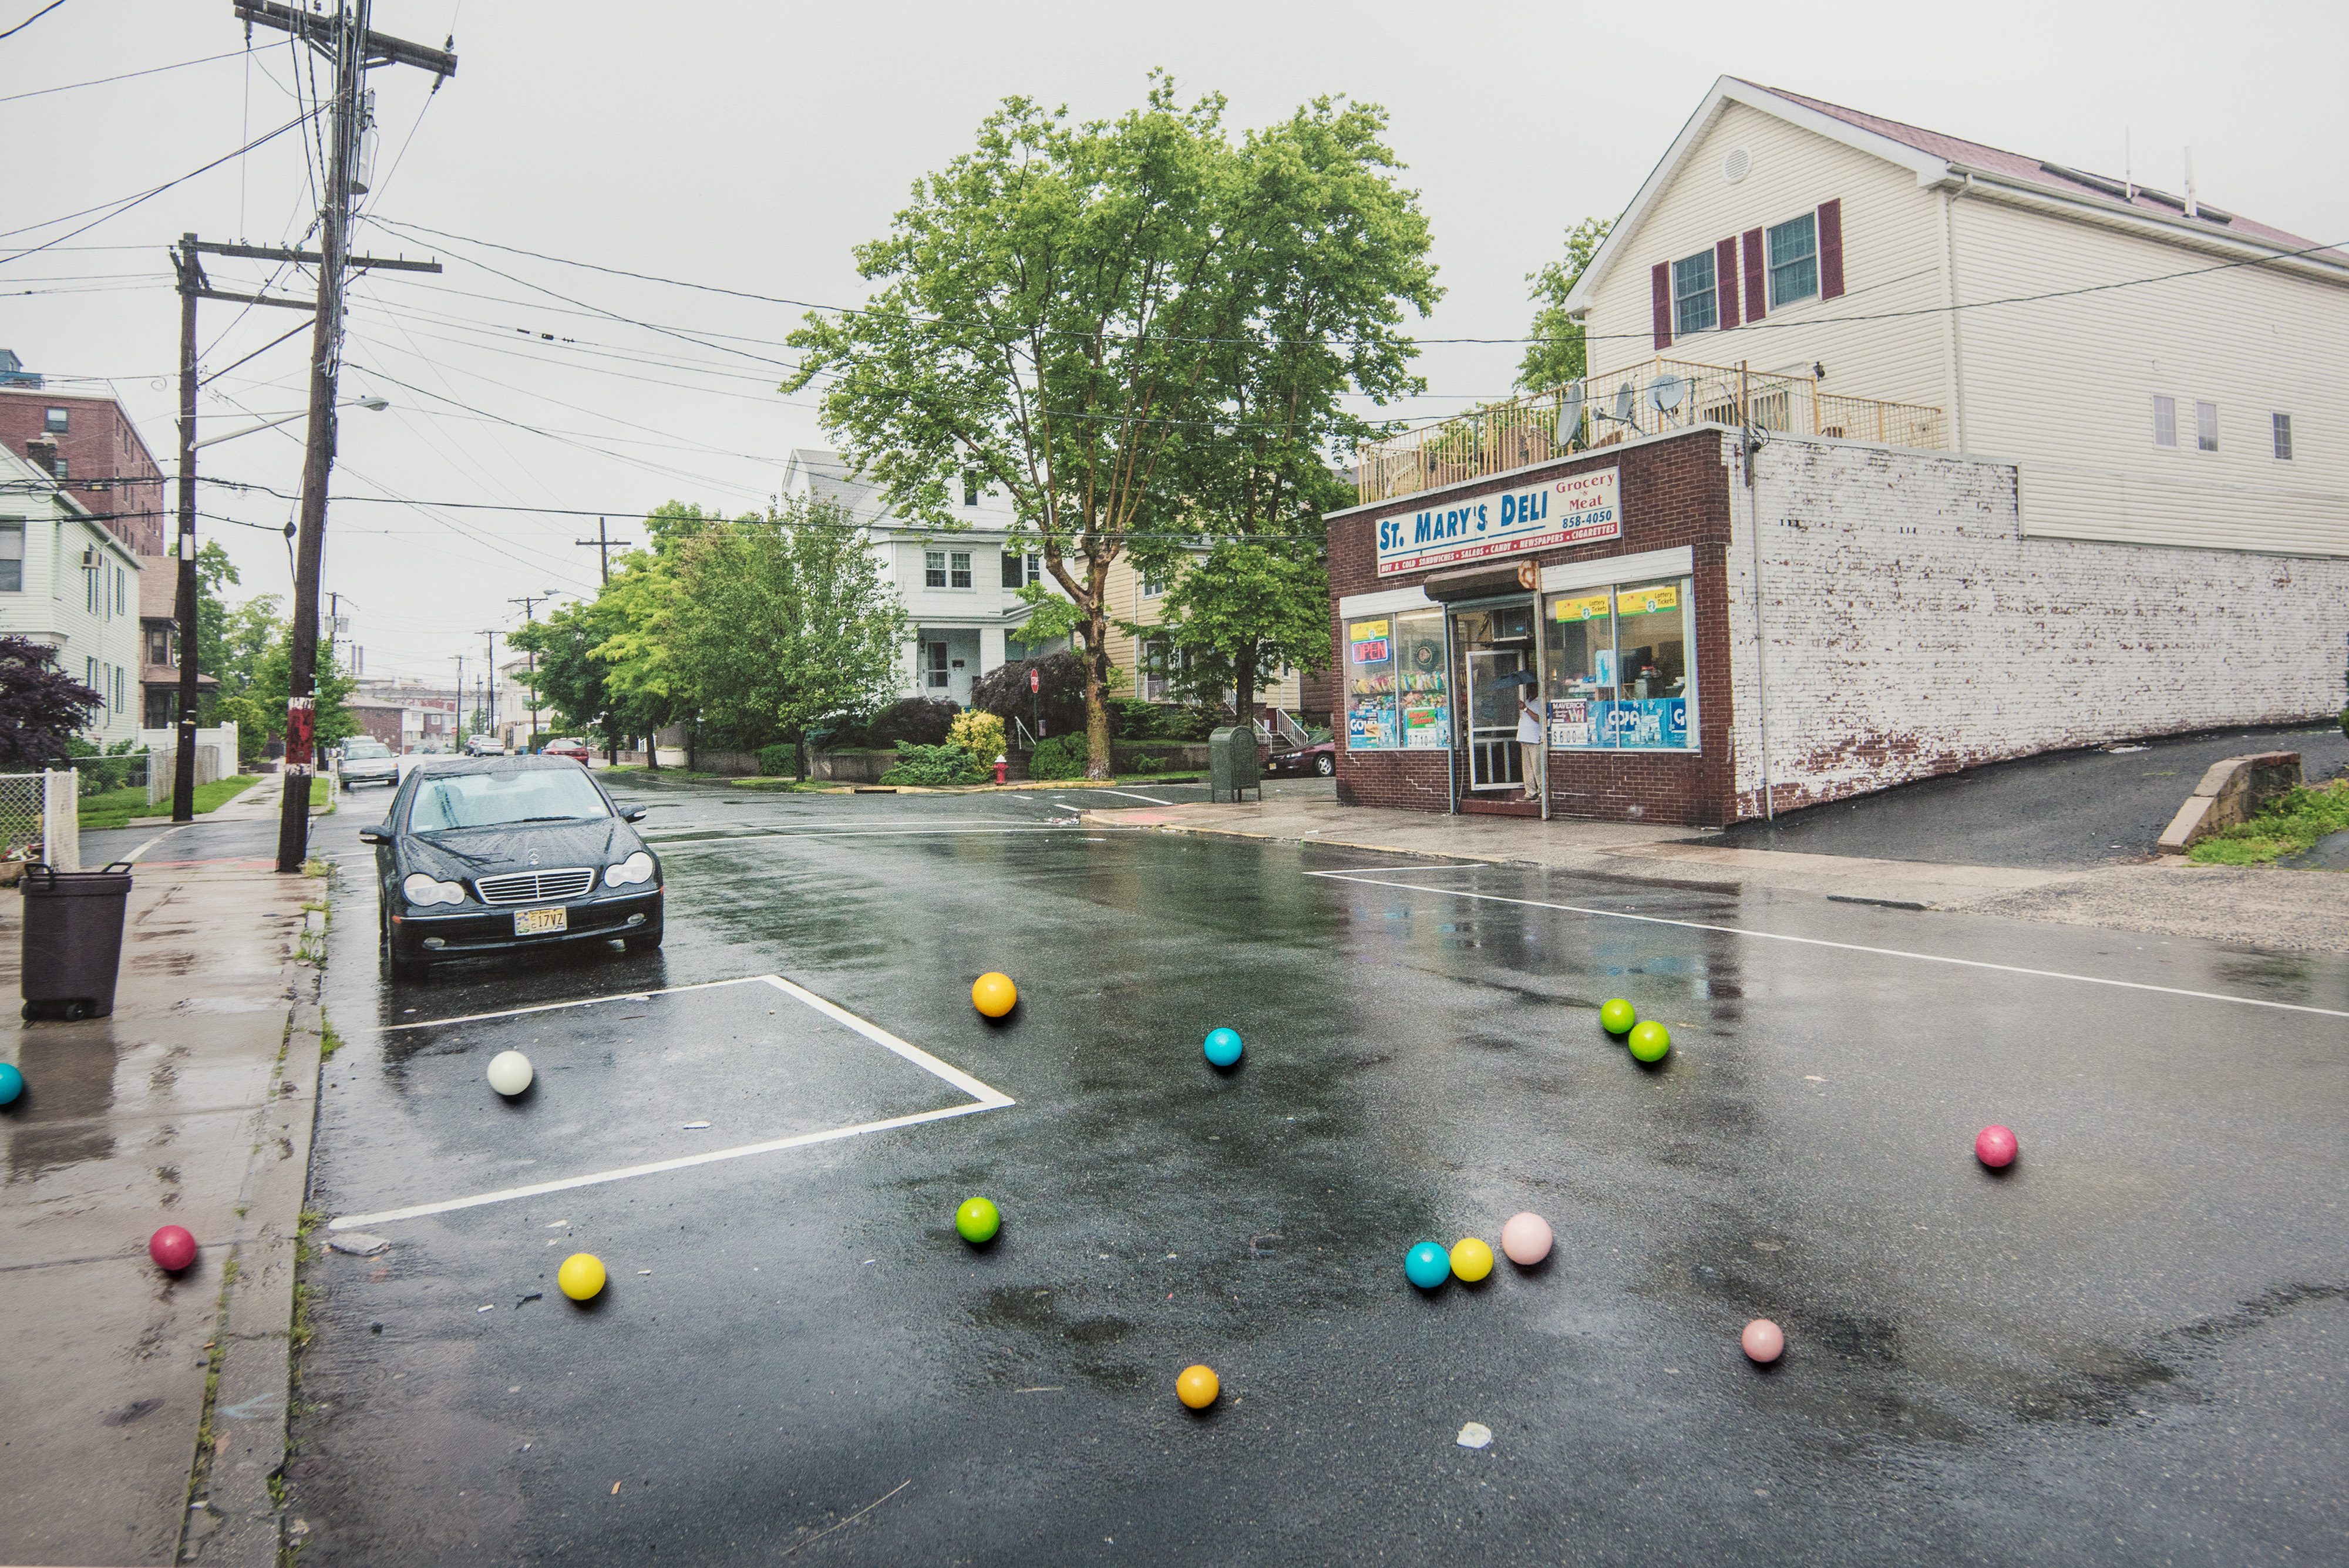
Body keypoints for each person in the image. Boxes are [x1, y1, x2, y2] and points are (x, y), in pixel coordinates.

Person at [1516, 687, 1544, 805]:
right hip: (1525, 739)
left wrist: (1526, 709)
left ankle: (1542, 792)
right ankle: (1530, 792)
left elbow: (1539, 719)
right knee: (1527, 768)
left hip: (1535, 739)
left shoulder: (1540, 702)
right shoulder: (1527, 701)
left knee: (1537, 767)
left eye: (1533, 687)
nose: (1530, 690)